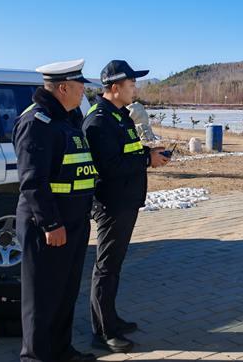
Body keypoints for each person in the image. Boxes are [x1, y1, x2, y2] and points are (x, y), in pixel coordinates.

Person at [82, 59, 170, 353]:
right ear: (115, 87)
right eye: (132, 84)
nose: (135, 89)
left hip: (125, 201)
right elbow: (108, 166)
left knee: (114, 267)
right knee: (106, 268)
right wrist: (147, 159)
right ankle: (103, 332)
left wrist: (150, 152)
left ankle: (111, 318)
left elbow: (125, 151)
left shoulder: (119, 116)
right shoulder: (99, 120)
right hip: (112, 203)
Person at [13, 59, 97, 362]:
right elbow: (33, 181)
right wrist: (50, 224)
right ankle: (35, 357)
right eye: (79, 85)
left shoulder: (68, 118)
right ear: (63, 88)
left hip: (74, 221)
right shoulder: (37, 122)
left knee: (64, 293)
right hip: (48, 226)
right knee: (42, 298)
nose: (84, 90)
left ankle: (61, 352)